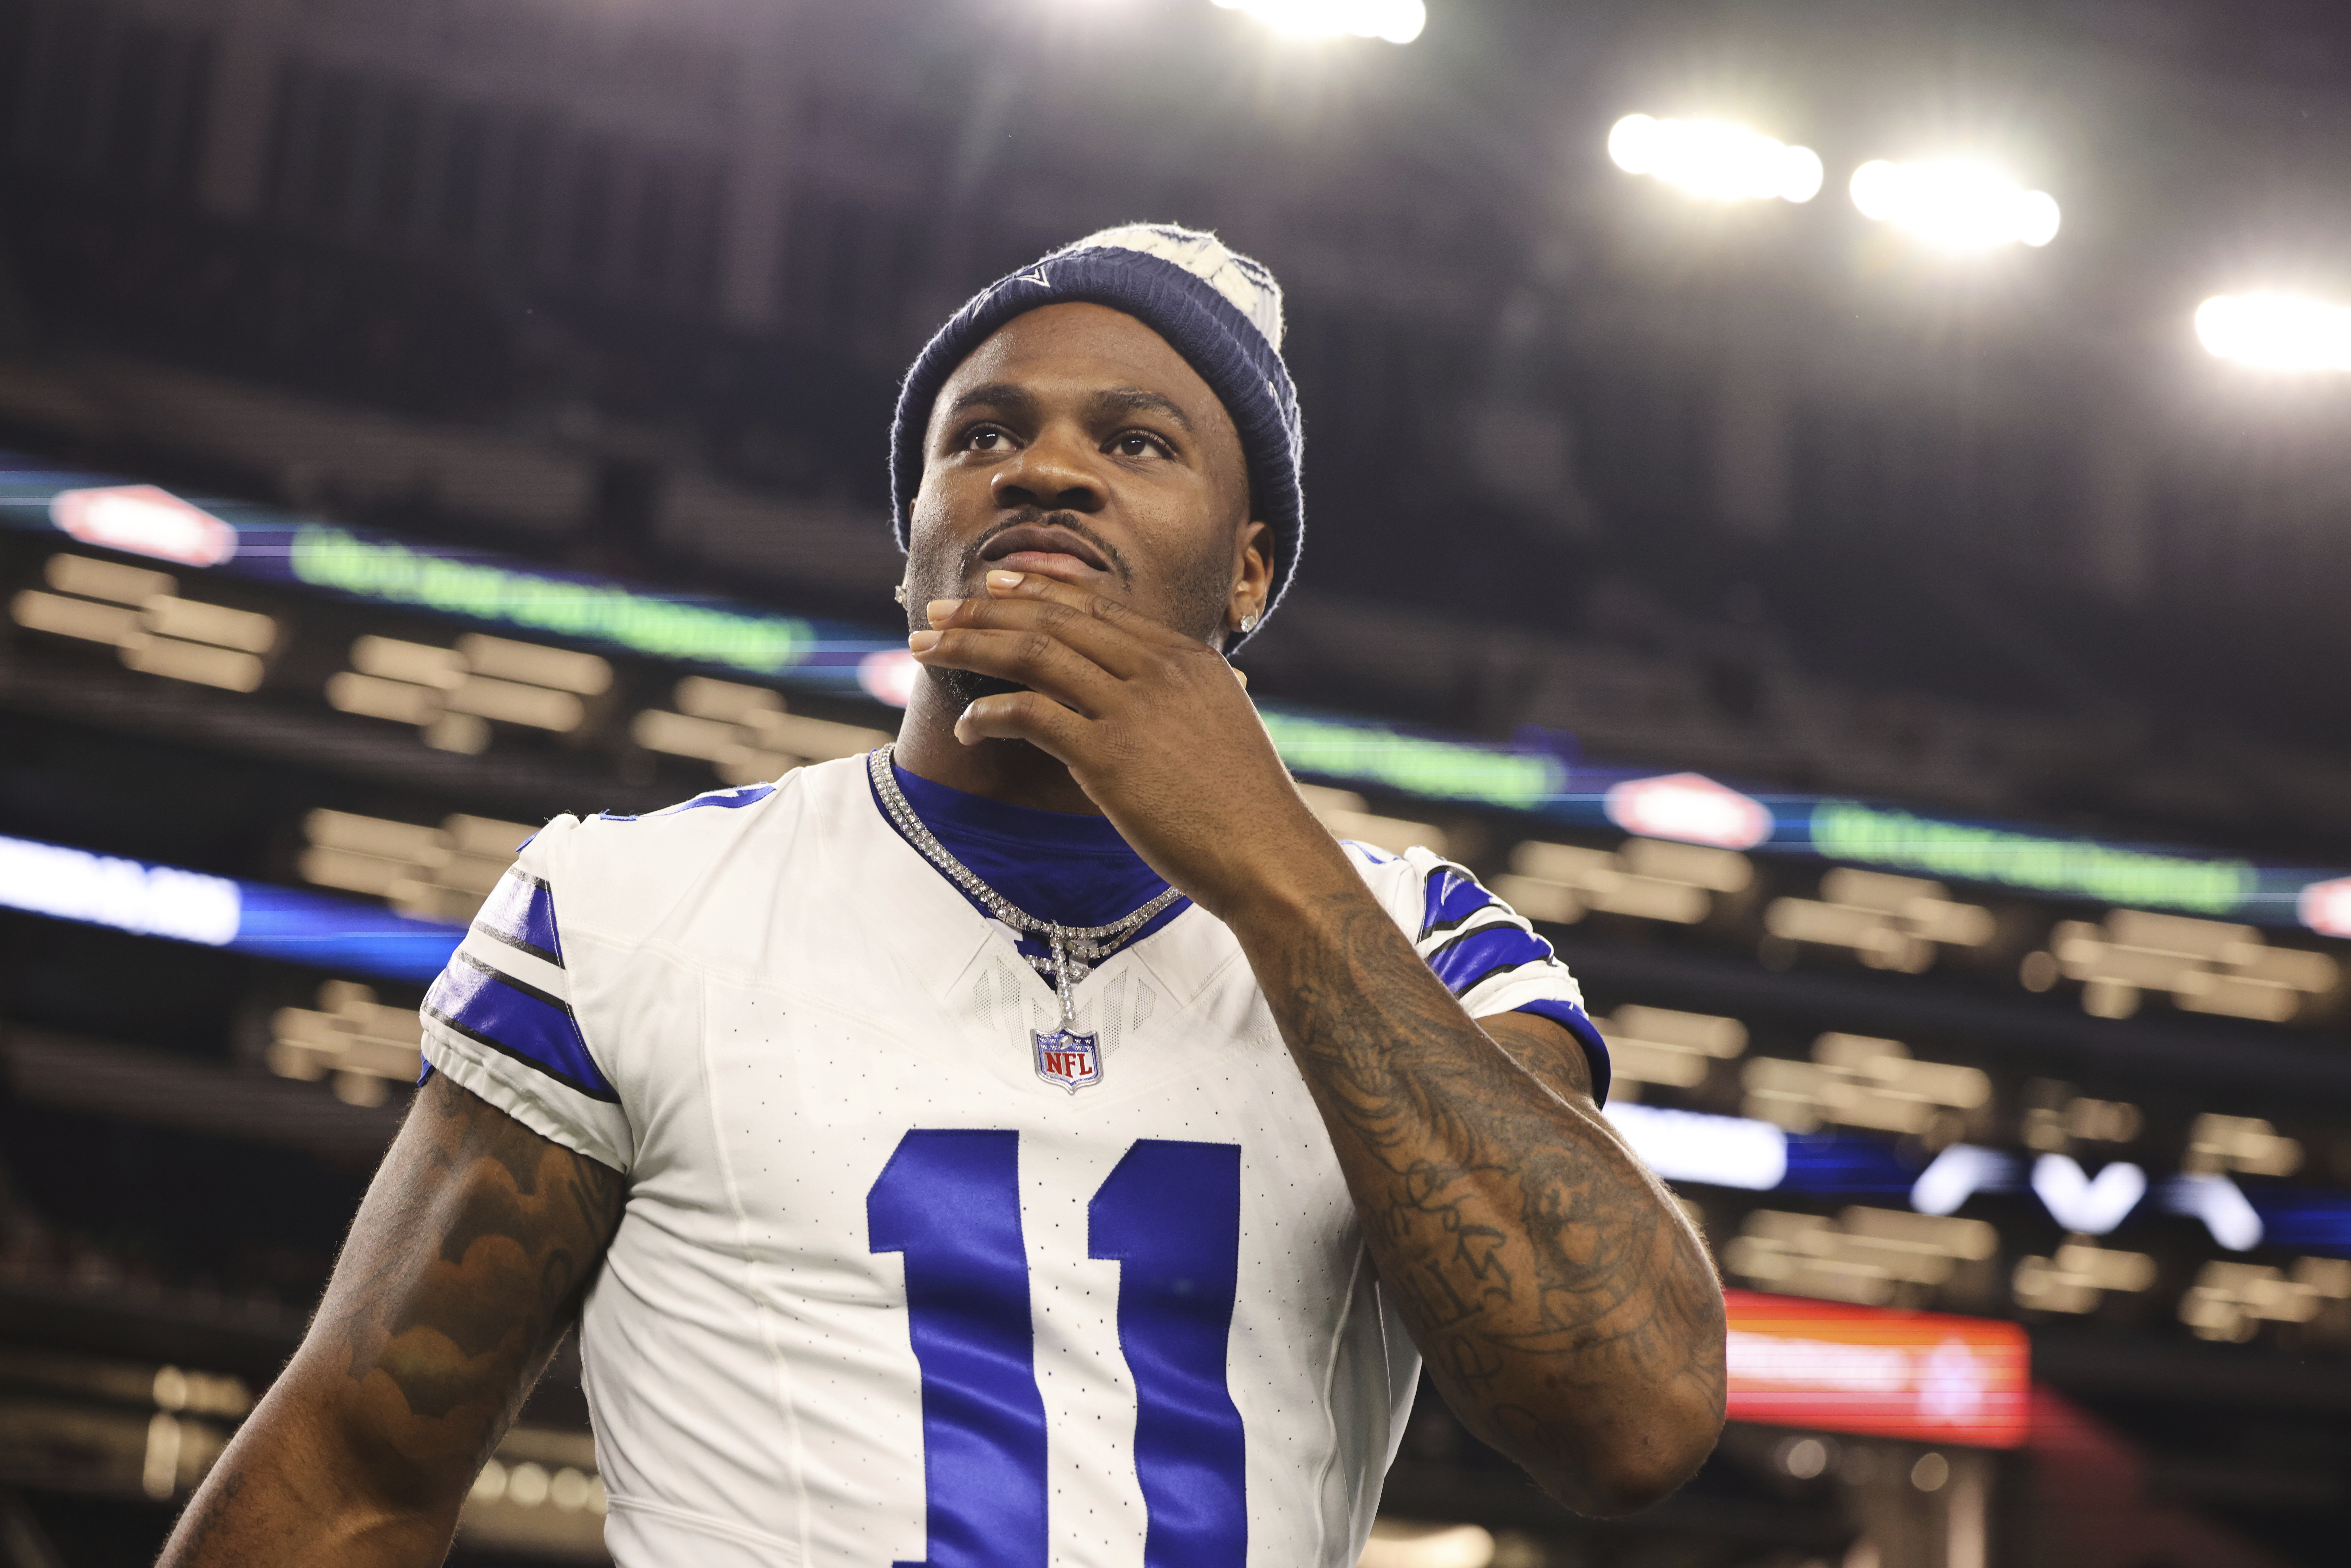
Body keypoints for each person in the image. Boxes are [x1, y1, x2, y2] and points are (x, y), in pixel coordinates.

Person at [159, 224, 1724, 1567]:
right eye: (981, 435)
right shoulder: (635, 901)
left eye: (1136, 441)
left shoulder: (1425, 939)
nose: (1044, 466)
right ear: (911, 557)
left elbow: (1633, 1413)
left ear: (1250, 572)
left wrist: (1272, 866)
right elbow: (355, 1477)